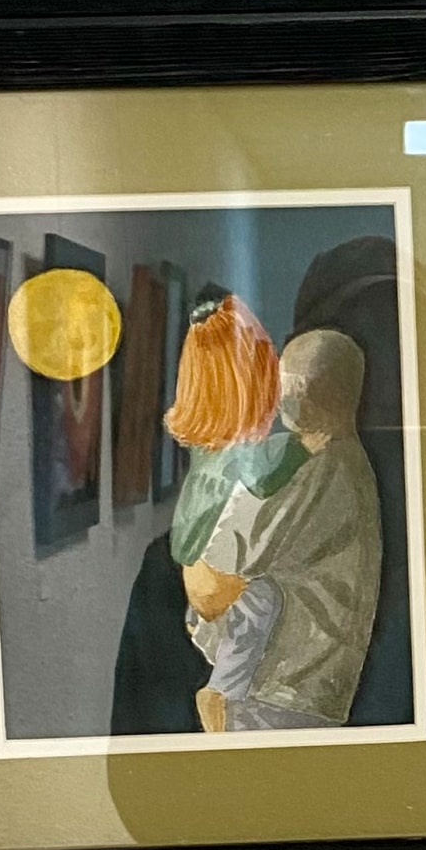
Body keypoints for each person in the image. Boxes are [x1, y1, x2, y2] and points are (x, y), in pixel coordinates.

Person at [183, 328, 382, 731]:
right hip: (316, 697)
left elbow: (208, 592)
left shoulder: (305, 472)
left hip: (268, 701)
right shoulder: (353, 466)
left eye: (282, 381)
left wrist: (196, 524)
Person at [157, 291, 310, 731]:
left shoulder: (206, 448)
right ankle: (222, 690)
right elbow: (265, 479)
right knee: (263, 604)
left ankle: (223, 681)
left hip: (194, 567)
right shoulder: (245, 452)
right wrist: (304, 448)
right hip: (213, 572)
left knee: (249, 614)